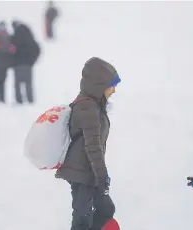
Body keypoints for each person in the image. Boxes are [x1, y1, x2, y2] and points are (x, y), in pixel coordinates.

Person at [55, 57, 120, 230]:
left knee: (103, 210)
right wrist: (102, 176)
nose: (114, 90)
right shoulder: (88, 107)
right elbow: (93, 147)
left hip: (87, 171)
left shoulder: (93, 105)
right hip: (82, 172)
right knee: (82, 219)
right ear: (99, 85)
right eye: (111, 85)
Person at [11, 20, 41, 105]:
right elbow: (37, 49)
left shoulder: (15, 38)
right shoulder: (30, 38)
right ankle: (30, 100)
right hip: (28, 65)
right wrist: (33, 60)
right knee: (28, 83)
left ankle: (19, 101)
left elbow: (10, 50)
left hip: (18, 64)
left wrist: (11, 62)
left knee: (17, 84)